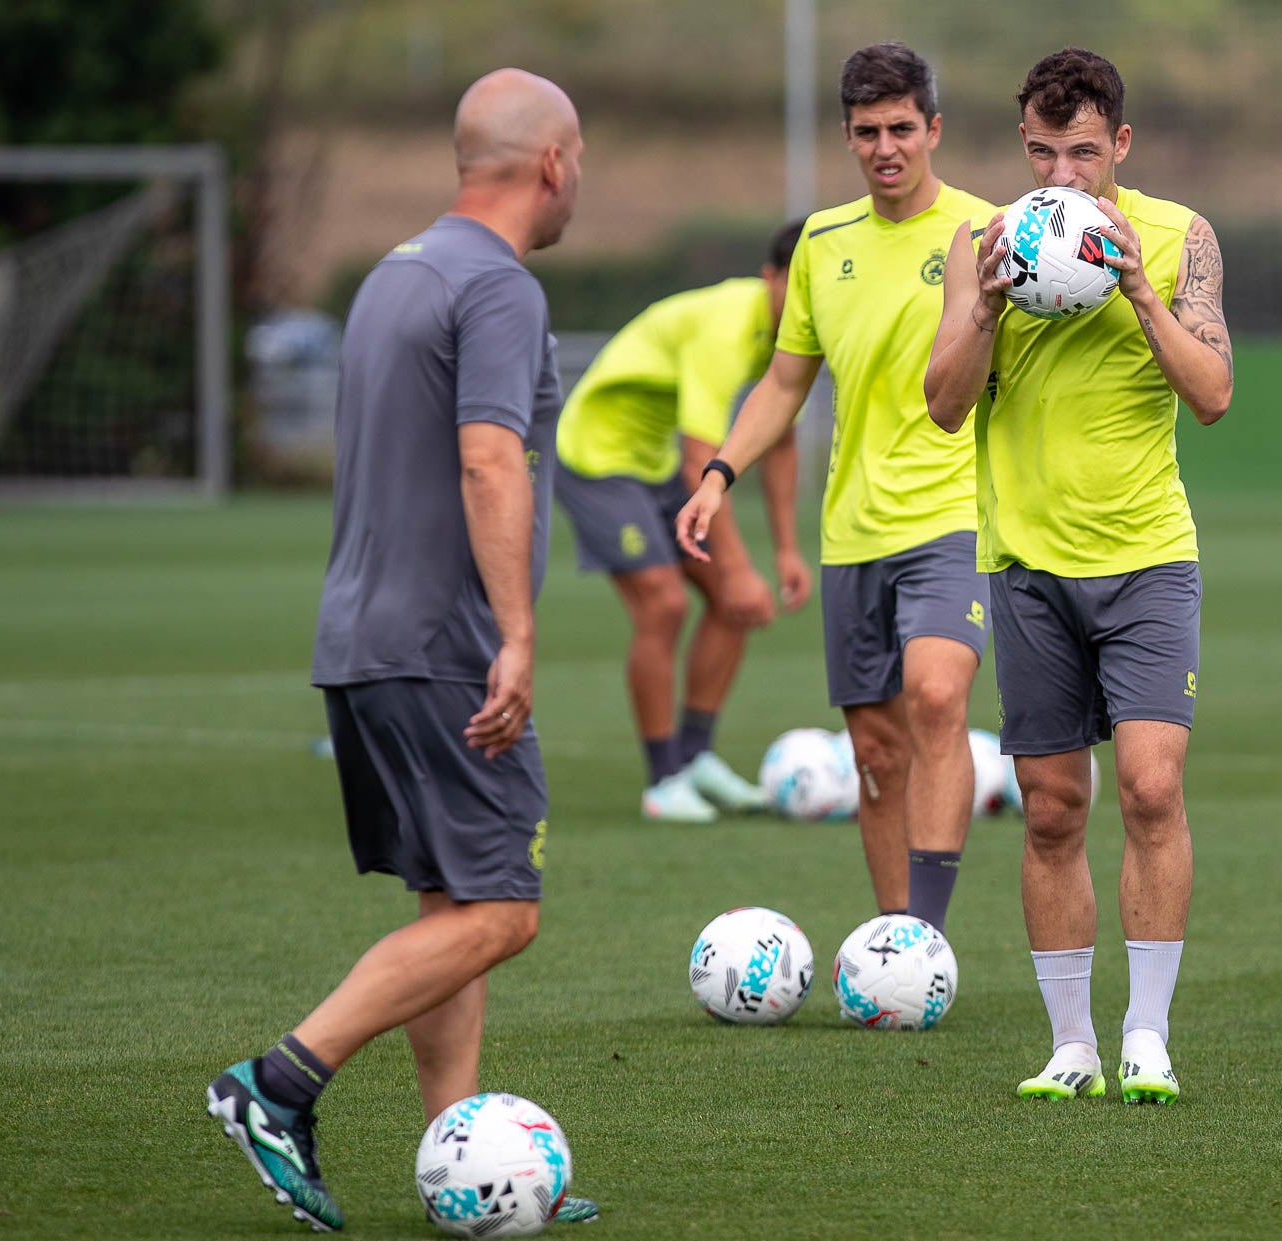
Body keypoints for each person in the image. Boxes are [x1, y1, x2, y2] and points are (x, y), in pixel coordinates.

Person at [206, 68, 600, 1230]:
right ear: (553, 163)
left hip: (361, 634)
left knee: (453, 900)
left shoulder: (391, 274)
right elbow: (490, 459)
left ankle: (459, 1171)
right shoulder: (500, 286)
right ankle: (274, 1083)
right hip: (443, 644)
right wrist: (518, 635)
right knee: (504, 911)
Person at [924, 48, 1233, 1105]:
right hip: (1026, 564)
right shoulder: (983, 245)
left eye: (1085, 153)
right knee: (1051, 807)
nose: (1064, 173)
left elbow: (1213, 393)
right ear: (1023, 146)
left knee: (1149, 786)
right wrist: (985, 311)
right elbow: (943, 405)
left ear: (1121, 146)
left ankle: (1145, 1034)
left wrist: (1137, 287)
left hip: (1146, 553)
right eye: (1045, 152)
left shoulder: (1179, 236)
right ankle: (1071, 1044)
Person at [676, 43, 997, 933]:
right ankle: (895, 932)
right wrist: (716, 476)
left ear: (934, 129)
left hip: (955, 518)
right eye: (868, 132)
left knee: (937, 696)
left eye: (902, 128)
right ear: (849, 138)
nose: (887, 146)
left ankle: (924, 938)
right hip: (853, 530)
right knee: (875, 750)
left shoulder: (990, 230)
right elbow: (784, 383)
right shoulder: (821, 242)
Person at [553, 223, 813, 822]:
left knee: (731, 605)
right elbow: (703, 459)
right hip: (600, 458)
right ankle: (662, 780)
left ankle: (696, 758)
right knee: (665, 604)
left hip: (658, 462)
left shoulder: (791, 337)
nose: (803, 301)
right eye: (793, 285)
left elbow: (777, 440)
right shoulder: (726, 327)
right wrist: (742, 569)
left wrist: (786, 552)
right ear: (768, 278)